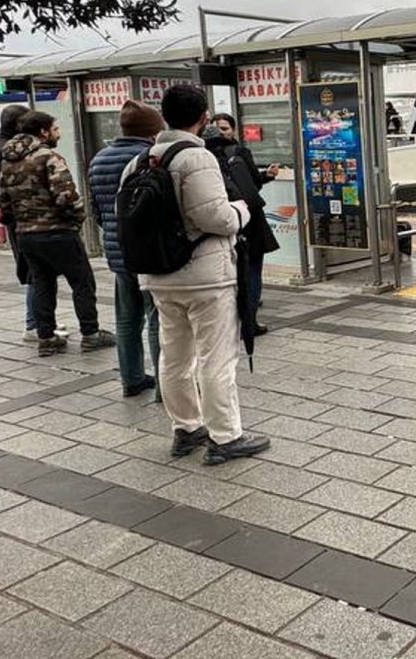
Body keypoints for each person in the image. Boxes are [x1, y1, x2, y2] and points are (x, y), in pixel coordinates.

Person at [135, 84, 271, 465]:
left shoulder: (142, 159)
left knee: (174, 356)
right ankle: (226, 437)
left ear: (165, 115)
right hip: (205, 277)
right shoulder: (196, 158)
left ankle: (186, 428)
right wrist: (242, 209)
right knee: (216, 358)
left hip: (159, 274)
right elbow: (217, 218)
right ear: (204, 118)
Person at [0, 111, 115, 357]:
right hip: (58, 232)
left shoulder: (8, 161)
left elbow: (4, 201)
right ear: (43, 132)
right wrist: (77, 219)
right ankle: (90, 333)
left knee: (42, 284)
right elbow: (66, 196)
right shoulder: (48, 157)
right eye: (55, 129)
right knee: (82, 281)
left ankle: (47, 337)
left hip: (26, 235)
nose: (57, 133)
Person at [89, 101, 164, 398]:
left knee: (126, 319)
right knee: (158, 320)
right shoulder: (149, 158)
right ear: (151, 131)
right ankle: (165, 385)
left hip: (118, 252)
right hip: (148, 252)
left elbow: (97, 209)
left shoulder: (99, 159)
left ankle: (131, 379)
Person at [209, 113, 280, 335]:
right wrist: (265, 176)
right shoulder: (239, 152)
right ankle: (249, 322)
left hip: (222, 222)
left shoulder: (205, 156)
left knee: (231, 274)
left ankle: (233, 321)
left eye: (224, 128)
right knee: (251, 272)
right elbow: (252, 186)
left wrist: (264, 175)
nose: (222, 132)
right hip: (248, 219)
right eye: (219, 128)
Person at [0, 104, 41, 339]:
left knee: (34, 270)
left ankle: (38, 320)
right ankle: (33, 323)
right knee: (34, 270)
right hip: (22, 218)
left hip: (17, 218)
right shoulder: (7, 150)